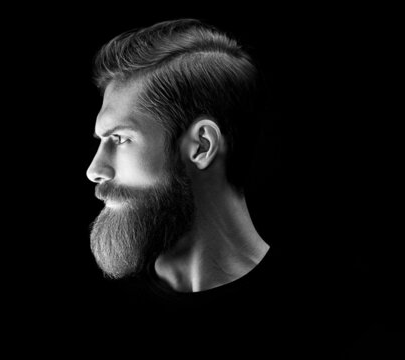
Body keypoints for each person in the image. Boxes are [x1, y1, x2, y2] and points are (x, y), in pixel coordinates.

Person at [83, 19, 365, 356]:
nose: (94, 170)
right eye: (102, 140)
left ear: (201, 146)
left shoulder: (330, 316)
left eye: (120, 138)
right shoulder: (94, 319)